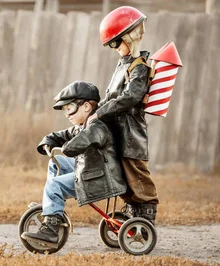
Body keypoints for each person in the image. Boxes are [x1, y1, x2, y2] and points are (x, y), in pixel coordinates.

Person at [20, 81, 127, 247]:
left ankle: (51, 230)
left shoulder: (97, 127)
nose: (67, 114)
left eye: (69, 108)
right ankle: (52, 206)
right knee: (56, 164)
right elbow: (63, 134)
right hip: (93, 170)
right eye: (64, 110)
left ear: (85, 107)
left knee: (54, 183)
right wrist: (48, 141)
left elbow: (78, 142)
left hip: (100, 178)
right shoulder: (82, 125)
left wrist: (64, 148)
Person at [90, 6, 159, 225]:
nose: (113, 48)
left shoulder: (139, 67)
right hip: (118, 130)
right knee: (122, 173)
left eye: (115, 42)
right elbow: (111, 96)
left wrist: (100, 112)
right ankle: (131, 211)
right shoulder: (123, 64)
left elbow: (130, 97)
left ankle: (144, 216)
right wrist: (92, 112)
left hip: (131, 132)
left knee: (135, 173)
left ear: (130, 37)